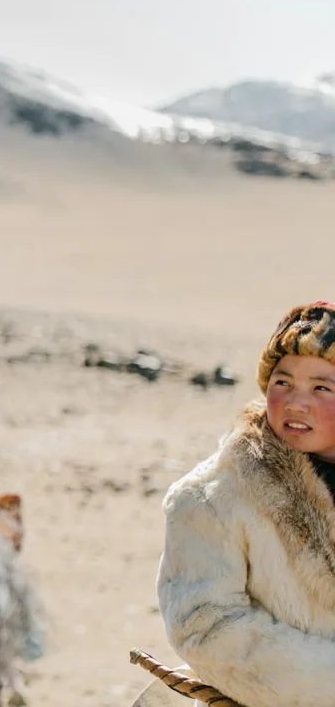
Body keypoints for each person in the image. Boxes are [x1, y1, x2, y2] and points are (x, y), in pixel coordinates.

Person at [157, 301, 335, 707]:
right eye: (282, 382)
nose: (296, 402)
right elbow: (206, 627)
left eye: (322, 388)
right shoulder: (212, 497)